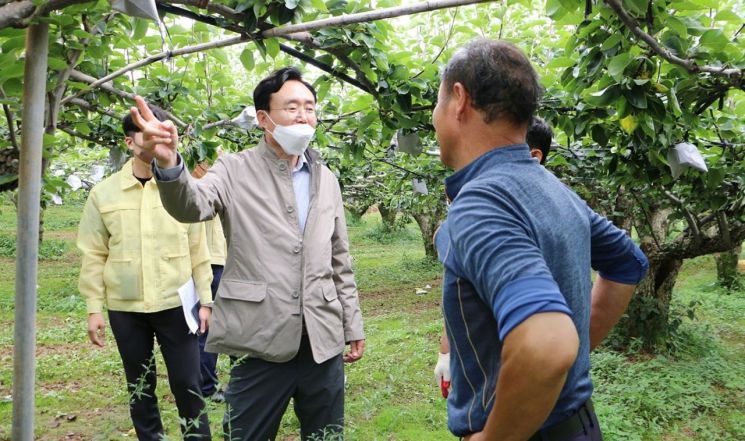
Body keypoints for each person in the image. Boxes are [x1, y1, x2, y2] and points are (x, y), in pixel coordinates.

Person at [128, 66, 365, 441]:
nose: (303, 116)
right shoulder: (235, 169)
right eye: (291, 108)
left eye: (309, 108)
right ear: (263, 118)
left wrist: (351, 324)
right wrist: (170, 163)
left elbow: (339, 258)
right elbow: (193, 205)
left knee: (325, 436)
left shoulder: (326, 177)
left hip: (321, 340)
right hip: (260, 340)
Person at [431, 39, 649, 441]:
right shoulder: (551, 186)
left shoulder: (480, 202)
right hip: (579, 424)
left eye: (437, 101)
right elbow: (626, 261)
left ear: (458, 100)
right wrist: (572, 360)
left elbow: (546, 344)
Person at [77, 106, 213, 441]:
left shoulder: (183, 189)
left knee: (188, 383)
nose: (155, 139)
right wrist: (94, 307)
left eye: (161, 131)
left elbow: (199, 248)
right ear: (129, 141)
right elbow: (94, 253)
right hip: (126, 308)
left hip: (174, 301)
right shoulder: (104, 194)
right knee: (139, 385)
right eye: (145, 132)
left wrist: (206, 300)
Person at [433, 115, 556, 394]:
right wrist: (446, 350)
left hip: (507, 383)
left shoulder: (510, 215)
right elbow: (460, 289)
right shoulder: (560, 202)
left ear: (534, 156)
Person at [192, 161, 228, 402]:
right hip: (209, 263)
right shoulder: (197, 190)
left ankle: (204, 383)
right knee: (206, 327)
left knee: (214, 326)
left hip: (219, 262)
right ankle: (205, 386)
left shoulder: (214, 187)